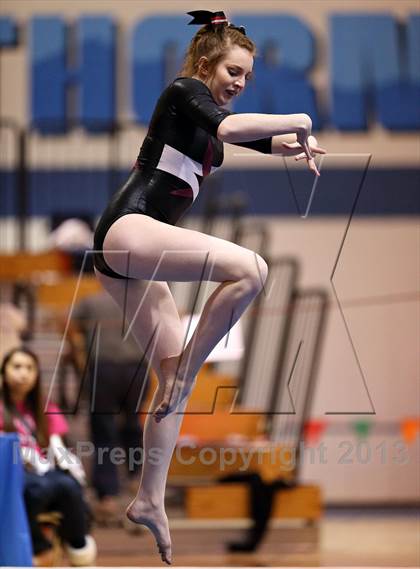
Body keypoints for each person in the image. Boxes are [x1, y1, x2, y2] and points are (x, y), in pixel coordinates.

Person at [92, 9, 326, 565]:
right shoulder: (182, 92)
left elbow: (233, 141)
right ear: (205, 65)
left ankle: (149, 499)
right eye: (234, 72)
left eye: (247, 76)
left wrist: (287, 148)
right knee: (253, 269)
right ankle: (186, 370)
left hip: (129, 257)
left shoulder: (210, 130)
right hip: (128, 227)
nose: (240, 84)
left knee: (172, 388)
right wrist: (297, 118)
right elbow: (226, 128)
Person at [0, 347, 97, 567]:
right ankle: (39, 548)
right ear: (3, 371)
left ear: (36, 375)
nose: (23, 373)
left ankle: (78, 548)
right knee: (36, 489)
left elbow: (55, 442)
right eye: (17, 367)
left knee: (69, 485)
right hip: (9, 475)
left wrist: (69, 463)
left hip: (41, 471)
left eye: (29, 368)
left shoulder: (45, 406)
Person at [69, 290, 149, 524]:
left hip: (103, 369)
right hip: (137, 368)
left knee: (103, 431)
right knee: (133, 424)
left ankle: (108, 496)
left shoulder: (91, 301)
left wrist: (78, 357)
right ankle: (137, 480)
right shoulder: (144, 300)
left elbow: (68, 325)